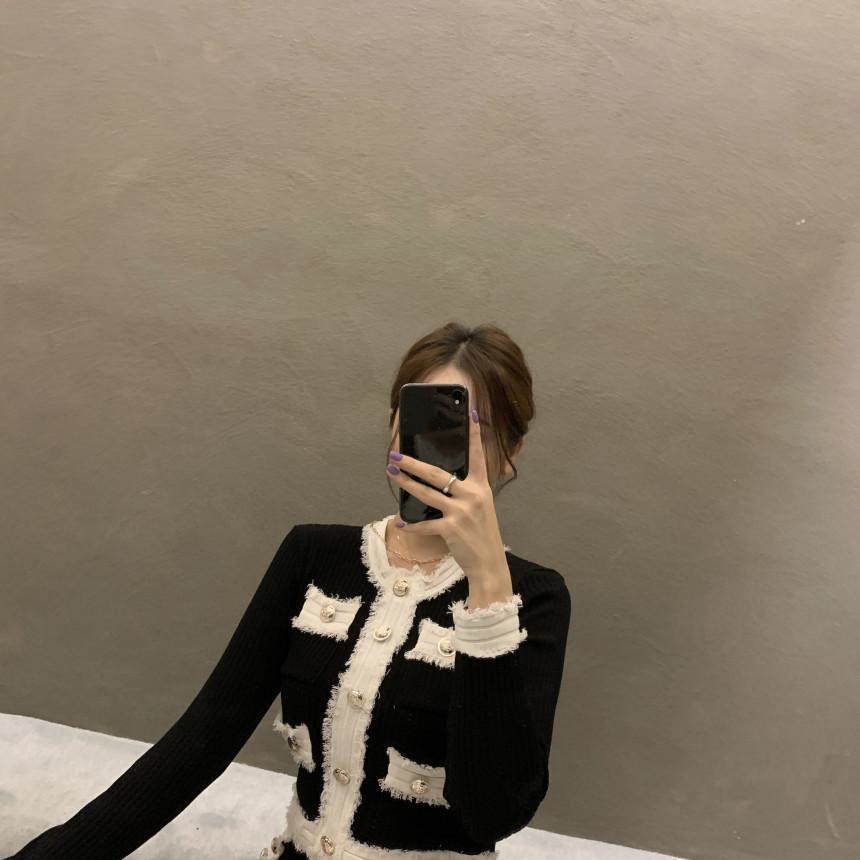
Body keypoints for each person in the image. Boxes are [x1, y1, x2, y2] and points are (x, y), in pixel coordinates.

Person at [6, 321, 572, 860]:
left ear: (511, 452)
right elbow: (200, 742)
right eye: (424, 421)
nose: (439, 450)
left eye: (470, 431)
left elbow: (493, 812)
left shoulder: (535, 598)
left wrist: (488, 585)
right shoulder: (313, 556)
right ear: (394, 427)